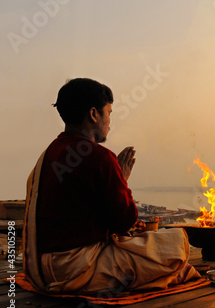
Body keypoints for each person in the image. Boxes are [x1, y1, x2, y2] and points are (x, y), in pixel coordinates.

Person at [24, 78, 200, 295]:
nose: (109, 121)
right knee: (174, 244)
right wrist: (122, 179)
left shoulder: (46, 156)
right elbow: (124, 221)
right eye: (108, 113)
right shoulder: (99, 157)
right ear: (93, 114)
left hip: (39, 270)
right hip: (77, 269)